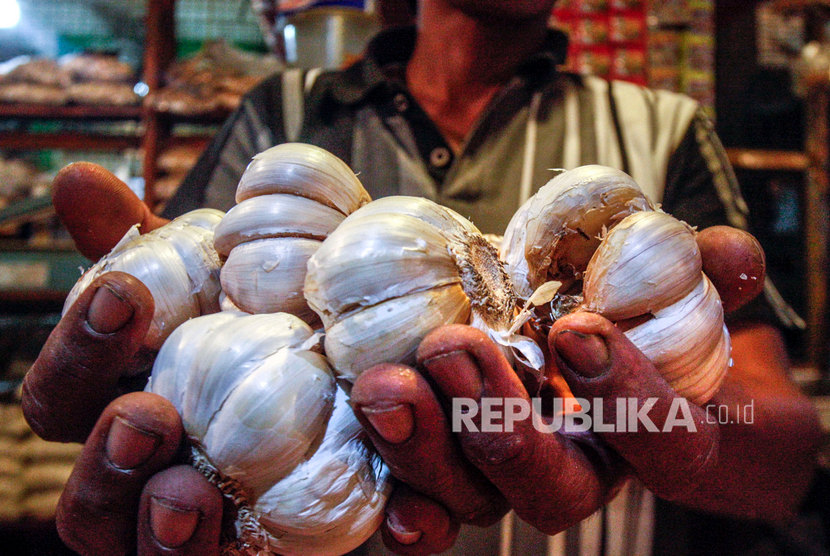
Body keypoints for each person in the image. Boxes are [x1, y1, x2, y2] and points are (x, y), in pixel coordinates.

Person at [22, 0, 823, 554]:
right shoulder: (281, 112)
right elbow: (208, 304)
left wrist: (668, 433)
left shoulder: (668, 126)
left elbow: (785, 449)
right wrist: (145, 337)